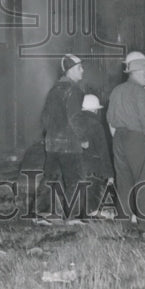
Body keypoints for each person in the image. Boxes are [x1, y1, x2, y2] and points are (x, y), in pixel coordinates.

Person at [107, 51, 145, 237]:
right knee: (143, 179)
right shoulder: (140, 92)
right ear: (138, 72)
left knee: (123, 181)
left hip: (118, 139)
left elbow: (110, 121)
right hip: (135, 138)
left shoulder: (116, 91)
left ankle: (123, 223)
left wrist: (117, 141)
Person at [39, 53, 85, 217]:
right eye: (79, 67)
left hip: (52, 143)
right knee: (75, 180)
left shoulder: (54, 90)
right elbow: (75, 118)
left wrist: (49, 137)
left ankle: (41, 214)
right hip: (69, 144)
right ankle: (73, 215)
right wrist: (83, 138)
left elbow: (45, 117)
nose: (83, 70)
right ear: (71, 70)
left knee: (50, 178)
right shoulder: (74, 90)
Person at [77, 94, 114, 215]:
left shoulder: (73, 123)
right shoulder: (96, 125)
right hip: (92, 169)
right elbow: (103, 151)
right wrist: (110, 174)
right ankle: (92, 211)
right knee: (92, 195)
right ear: (95, 109)